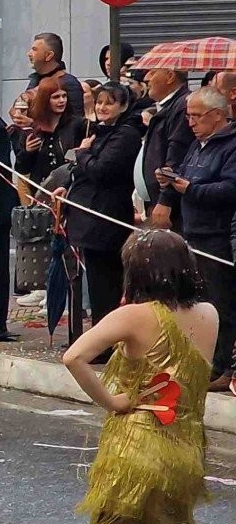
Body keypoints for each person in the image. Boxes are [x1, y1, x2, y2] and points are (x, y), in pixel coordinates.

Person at [61, 230, 229, 524]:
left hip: (136, 449)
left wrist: (113, 400)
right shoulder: (209, 315)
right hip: (184, 453)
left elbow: (73, 356)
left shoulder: (135, 315)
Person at [153, 87, 236, 385]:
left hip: (218, 235)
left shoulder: (230, 146)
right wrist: (170, 179)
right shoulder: (197, 144)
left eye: (197, 116)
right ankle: (200, 360)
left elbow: (230, 189)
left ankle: (223, 367)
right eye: (188, 115)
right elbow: (185, 173)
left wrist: (190, 188)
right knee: (196, 301)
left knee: (221, 304)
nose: (190, 122)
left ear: (217, 116)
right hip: (192, 232)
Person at [65, 82, 148, 323]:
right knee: (97, 284)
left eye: (109, 103)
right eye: (99, 102)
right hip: (88, 216)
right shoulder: (99, 131)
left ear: (123, 106)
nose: (102, 107)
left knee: (107, 284)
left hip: (105, 217)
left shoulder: (125, 134)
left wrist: (82, 153)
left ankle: (109, 339)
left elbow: (101, 170)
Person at [136, 65, 192, 228]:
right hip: (155, 200)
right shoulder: (168, 106)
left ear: (169, 76)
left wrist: (165, 200)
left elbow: (176, 155)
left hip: (171, 207)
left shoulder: (181, 106)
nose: (146, 78)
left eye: (152, 72)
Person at [26, 31, 85, 130]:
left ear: (49, 55)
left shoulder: (69, 83)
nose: (29, 54)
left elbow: (77, 121)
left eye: (34, 50)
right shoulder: (35, 79)